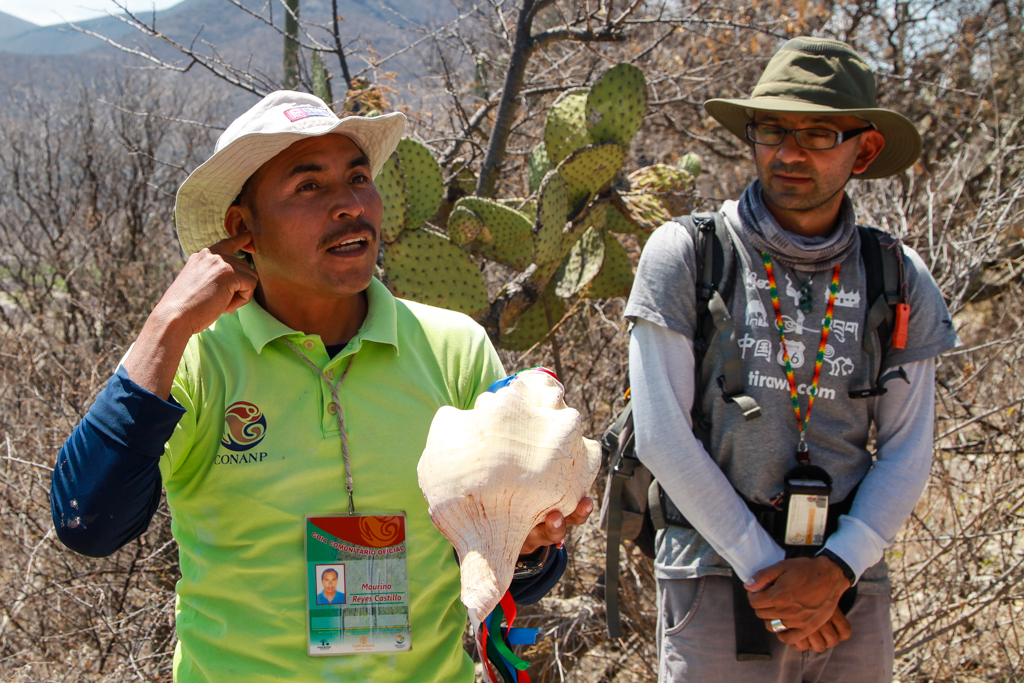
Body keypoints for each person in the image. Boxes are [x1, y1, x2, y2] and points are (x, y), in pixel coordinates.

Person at [51, 91, 592, 683]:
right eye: (309, 186)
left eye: (358, 178)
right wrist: (167, 324)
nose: (348, 205)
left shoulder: (453, 349)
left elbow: (514, 573)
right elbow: (88, 525)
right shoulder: (194, 360)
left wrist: (531, 542)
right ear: (242, 228)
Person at [624, 37, 959, 682]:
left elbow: (909, 446)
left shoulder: (896, 273)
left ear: (865, 149)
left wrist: (834, 569)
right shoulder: (689, 255)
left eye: (818, 133)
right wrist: (770, 575)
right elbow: (662, 435)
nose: (788, 152)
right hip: (718, 576)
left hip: (850, 587)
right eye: (771, 129)